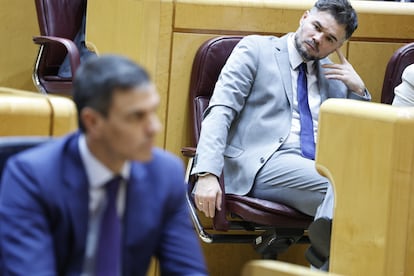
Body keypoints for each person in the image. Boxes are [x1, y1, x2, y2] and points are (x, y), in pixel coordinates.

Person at [191, 0, 370, 270]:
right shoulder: (256, 50)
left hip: (316, 167)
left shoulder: (335, 76)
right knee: (345, 189)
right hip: (262, 163)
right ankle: (322, 257)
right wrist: (206, 173)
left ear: (338, 46)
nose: (318, 38)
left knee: (366, 198)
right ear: (304, 17)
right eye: (316, 27)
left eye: (330, 38)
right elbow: (220, 111)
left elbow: (359, 140)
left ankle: (324, 258)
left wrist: (359, 91)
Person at [0, 55, 207, 275]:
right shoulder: (32, 177)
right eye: (137, 116)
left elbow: (188, 271)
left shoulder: (165, 174)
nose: (154, 127)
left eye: (152, 112)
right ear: (93, 122)